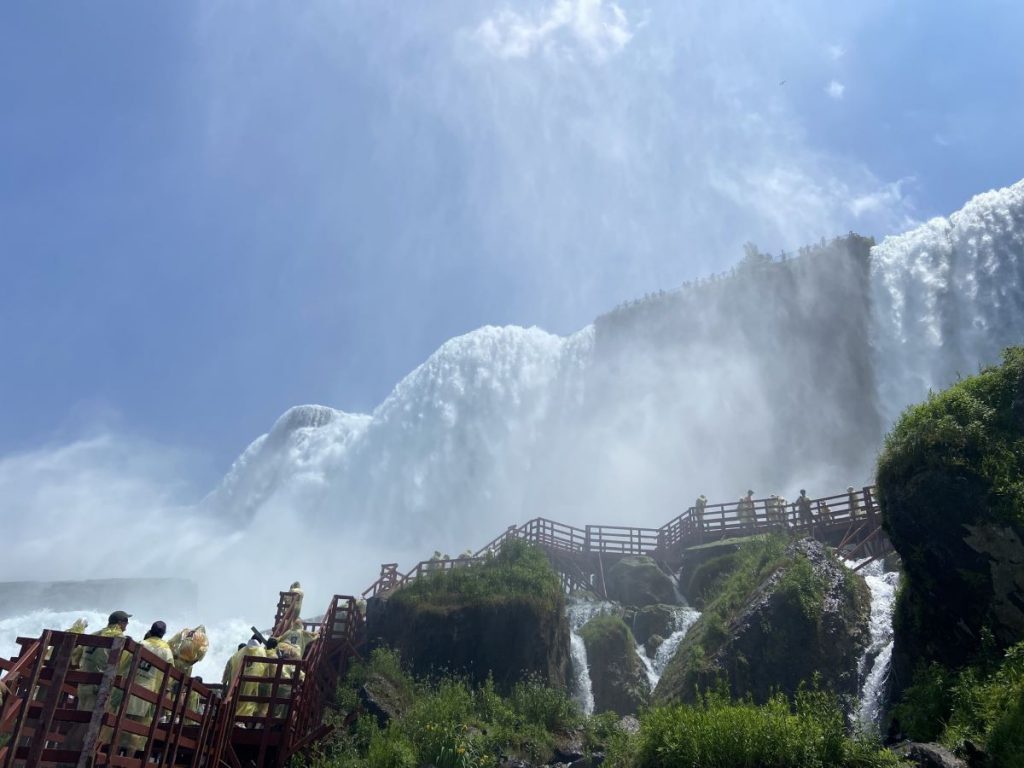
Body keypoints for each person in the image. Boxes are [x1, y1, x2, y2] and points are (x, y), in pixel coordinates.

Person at [124, 621, 175, 752]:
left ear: (151, 630)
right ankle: (128, 760)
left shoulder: (141, 643)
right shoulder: (167, 652)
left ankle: (113, 755)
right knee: (138, 730)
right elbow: (169, 678)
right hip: (149, 694)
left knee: (121, 724)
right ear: (163, 634)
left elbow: (126, 663)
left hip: (130, 688)